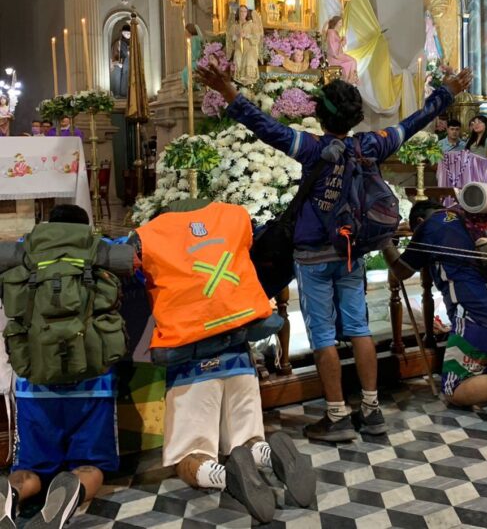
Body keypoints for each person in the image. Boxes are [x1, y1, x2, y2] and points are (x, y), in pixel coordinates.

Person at [199, 59, 472, 441]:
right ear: (355, 115)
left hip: (312, 256)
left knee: (323, 335)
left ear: (320, 114)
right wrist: (447, 92)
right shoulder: (372, 144)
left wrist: (228, 90)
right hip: (352, 251)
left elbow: (266, 128)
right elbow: (414, 123)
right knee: (359, 327)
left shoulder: (311, 147)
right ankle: (372, 410)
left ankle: (337, 415)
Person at [133, 200, 316, 524]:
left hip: (190, 360)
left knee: (191, 455)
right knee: (247, 438)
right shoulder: (232, 218)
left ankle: (223, 475)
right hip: (238, 353)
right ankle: (267, 453)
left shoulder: (148, 237)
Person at [0, 204, 135, 528]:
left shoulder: (21, 252)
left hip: (35, 383)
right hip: (93, 382)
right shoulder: (101, 249)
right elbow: (134, 265)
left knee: (29, 468)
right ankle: (73, 490)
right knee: (91, 465)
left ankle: (13, 492)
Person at [382, 200, 487, 413]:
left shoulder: (431, 225)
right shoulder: (473, 218)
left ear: (419, 222)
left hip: (480, 320)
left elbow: (401, 271)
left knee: (455, 389)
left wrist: (383, 241)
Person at [229, 4, 263, 86]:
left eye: (245, 11)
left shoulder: (252, 25)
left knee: (249, 57)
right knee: (237, 56)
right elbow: (230, 40)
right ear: (238, 13)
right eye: (241, 11)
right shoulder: (234, 26)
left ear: (247, 13)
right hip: (239, 48)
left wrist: (247, 35)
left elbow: (257, 38)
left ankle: (249, 80)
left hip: (250, 48)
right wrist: (237, 35)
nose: (243, 13)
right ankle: (239, 79)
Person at [325, 15, 358, 85]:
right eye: (340, 22)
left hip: (339, 54)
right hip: (334, 57)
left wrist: (342, 42)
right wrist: (341, 43)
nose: (341, 24)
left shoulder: (335, 32)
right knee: (352, 62)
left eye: (341, 23)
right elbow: (332, 47)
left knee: (354, 61)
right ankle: (349, 80)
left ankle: (351, 79)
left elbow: (338, 44)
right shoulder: (331, 32)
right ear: (335, 23)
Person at [110, 23, 131, 98]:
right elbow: (115, 55)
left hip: (129, 64)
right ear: (122, 33)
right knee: (118, 71)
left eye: (129, 33)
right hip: (121, 63)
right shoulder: (118, 43)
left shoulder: (133, 43)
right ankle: (119, 93)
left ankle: (126, 92)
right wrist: (117, 63)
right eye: (125, 33)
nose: (127, 34)